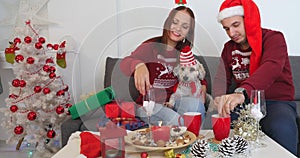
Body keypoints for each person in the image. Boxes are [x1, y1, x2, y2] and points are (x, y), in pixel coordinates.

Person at [213, 0, 298, 155]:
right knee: (217, 124)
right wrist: (218, 98)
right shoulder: (228, 48)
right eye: (226, 28)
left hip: (276, 102)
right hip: (245, 104)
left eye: (236, 25)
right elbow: (221, 79)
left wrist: (242, 92)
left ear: (249, 19)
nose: (231, 33)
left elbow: (271, 67)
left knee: (281, 127)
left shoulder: (274, 38)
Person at [120, 6, 207, 125]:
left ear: (188, 32)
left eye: (184, 26)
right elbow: (124, 64)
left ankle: (196, 142)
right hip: (150, 105)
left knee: (196, 107)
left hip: (174, 102)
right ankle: (185, 137)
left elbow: (194, 73)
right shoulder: (151, 46)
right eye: (175, 22)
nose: (178, 28)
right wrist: (138, 65)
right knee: (177, 121)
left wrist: (203, 85)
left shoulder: (184, 54)